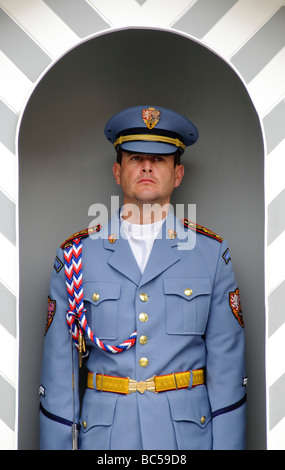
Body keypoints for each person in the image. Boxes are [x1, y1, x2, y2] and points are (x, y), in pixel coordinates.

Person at [39, 105, 246, 450]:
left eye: (160, 159)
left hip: (185, 440)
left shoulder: (211, 255)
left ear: (178, 174)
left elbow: (228, 376)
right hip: (105, 439)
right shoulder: (76, 256)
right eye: (136, 158)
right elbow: (60, 376)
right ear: (118, 172)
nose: (147, 166)